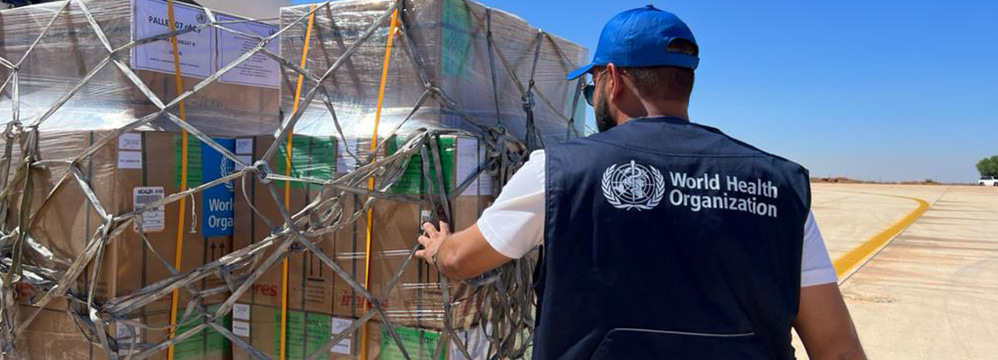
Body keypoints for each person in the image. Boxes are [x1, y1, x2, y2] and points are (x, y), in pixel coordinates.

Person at [416, 5, 865, 359]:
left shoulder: (555, 172)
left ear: (612, 80)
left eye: (591, 86)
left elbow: (462, 261)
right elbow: (837, 349)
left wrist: (439, 248)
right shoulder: (781, 186)